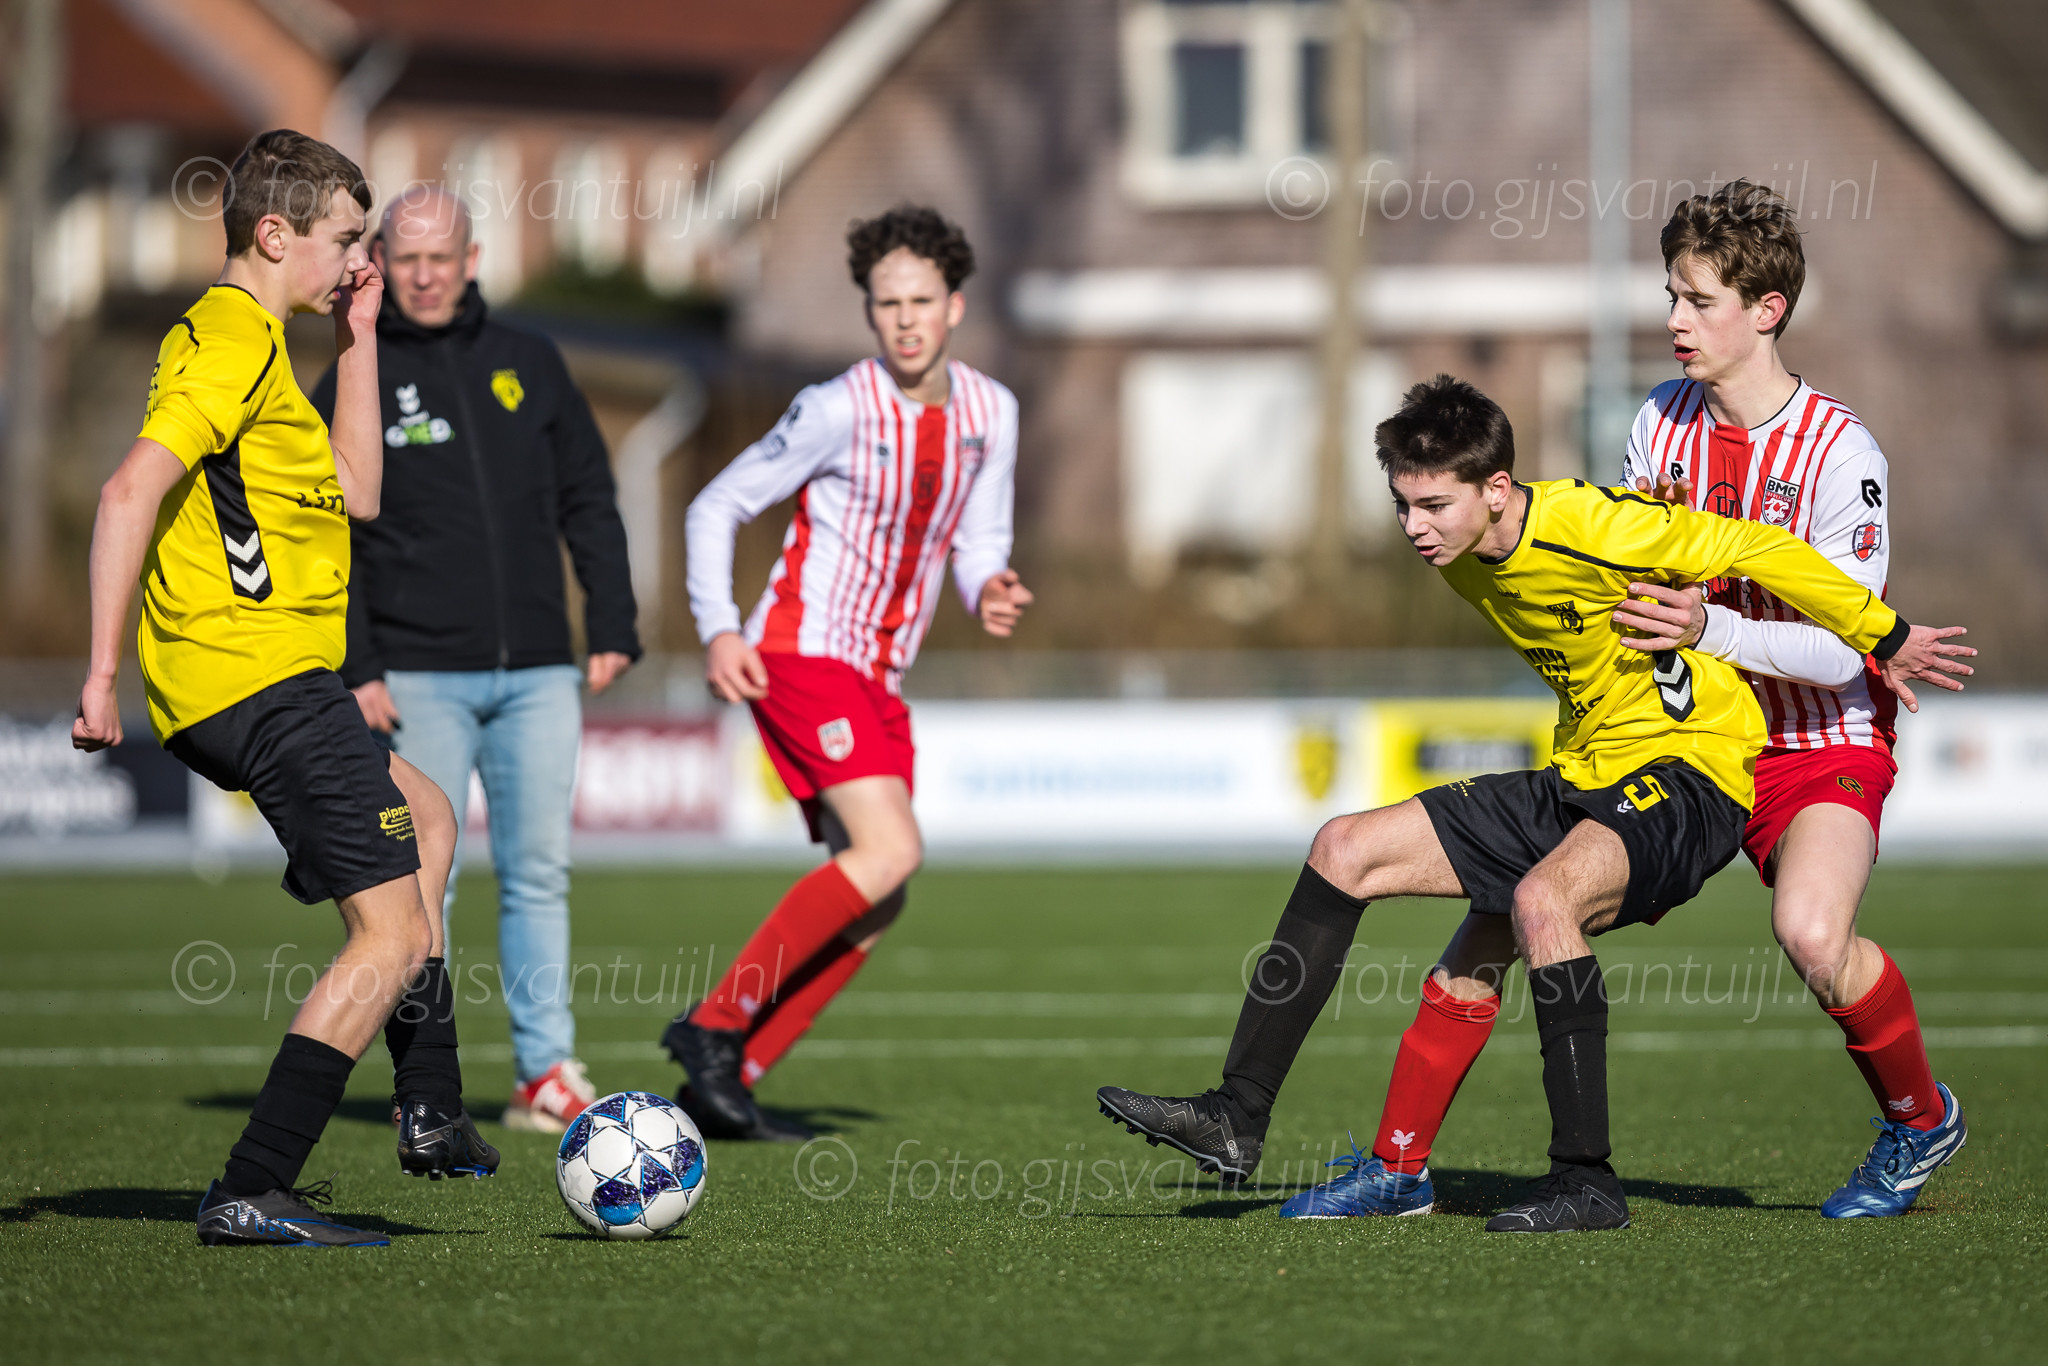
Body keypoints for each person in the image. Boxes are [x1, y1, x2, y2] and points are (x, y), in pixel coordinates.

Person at [1096, 374, 1970, 1232]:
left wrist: (1884, 635)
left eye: (1433, 505)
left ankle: (1586, 1182)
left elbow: (1760, 550)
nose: (1414, 526)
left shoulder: (1589, 524)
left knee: (1541, 901)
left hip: (1691, 772)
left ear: (1496, 488)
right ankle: (1240, 1116)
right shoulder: (1461, 548)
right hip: (1583, 772)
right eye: (1402, 505)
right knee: (1343, 849)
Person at [72, 130, 497, 1249]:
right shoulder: (228, 340)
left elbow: (356, 490)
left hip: (273, 678)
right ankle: (253, 1185)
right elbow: (127, 492)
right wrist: (101, 673)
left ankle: (431, 1107)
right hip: (251, 677)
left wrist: (359, 336)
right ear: (273, 233)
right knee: (388, 936)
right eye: (346, 240)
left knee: (430, 819)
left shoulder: (266, 348)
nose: (360, 260)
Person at [1615, 180, 1972, 1216]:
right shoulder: (1657, 421)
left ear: (1766, 309)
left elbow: (1839, 649)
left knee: (1812, 934)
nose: (1675, 320)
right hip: (1693, 741)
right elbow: (1635, 580)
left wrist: (1707, 628)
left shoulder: (1841, 454)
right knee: (1535, 898)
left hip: (1821, 745)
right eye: (1671, 296)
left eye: (1698, 300)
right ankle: (1409, 1164)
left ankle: (1919, 1121)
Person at [663, 205, 1032, 1141]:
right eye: (886, 304)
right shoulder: (836, 407)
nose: (905, 320)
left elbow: (979, 538)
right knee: (890, 851)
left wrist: (988, 585)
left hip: (879, 676)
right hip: (801, 654)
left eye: (922, 301)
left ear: (954, 306)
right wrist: (719, 629)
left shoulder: (992, 412)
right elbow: (715, 506)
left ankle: (730, 1083)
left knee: (877, 895)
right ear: (869, 312)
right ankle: (714, 1024)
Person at [312, 185, 640, 1134]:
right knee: (422, 884)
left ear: (472, 259)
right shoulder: (354, 373)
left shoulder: (530, 361)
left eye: (440, 259)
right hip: (414, 677)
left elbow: (589, 495)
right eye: (406, 259)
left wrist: (611, 620)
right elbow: (328, 534)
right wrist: (358, 663)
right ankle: (429, 1083)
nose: (423, 276)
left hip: (538, 669)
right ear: (381, 261)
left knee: (538, 872)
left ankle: (545, 1072)